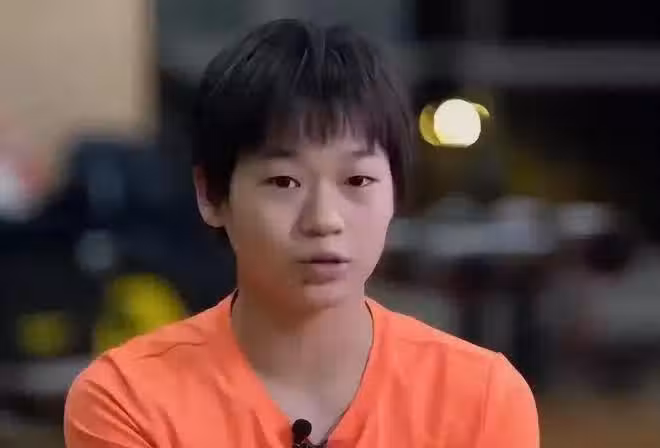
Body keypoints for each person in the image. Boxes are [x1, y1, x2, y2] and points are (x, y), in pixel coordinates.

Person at [64, 19, 539, 447]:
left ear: (396, 193)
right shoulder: (128, 400)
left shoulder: (480, 398)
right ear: (211, 195)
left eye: (357, 180)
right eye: (284, 182)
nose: (324, 219)